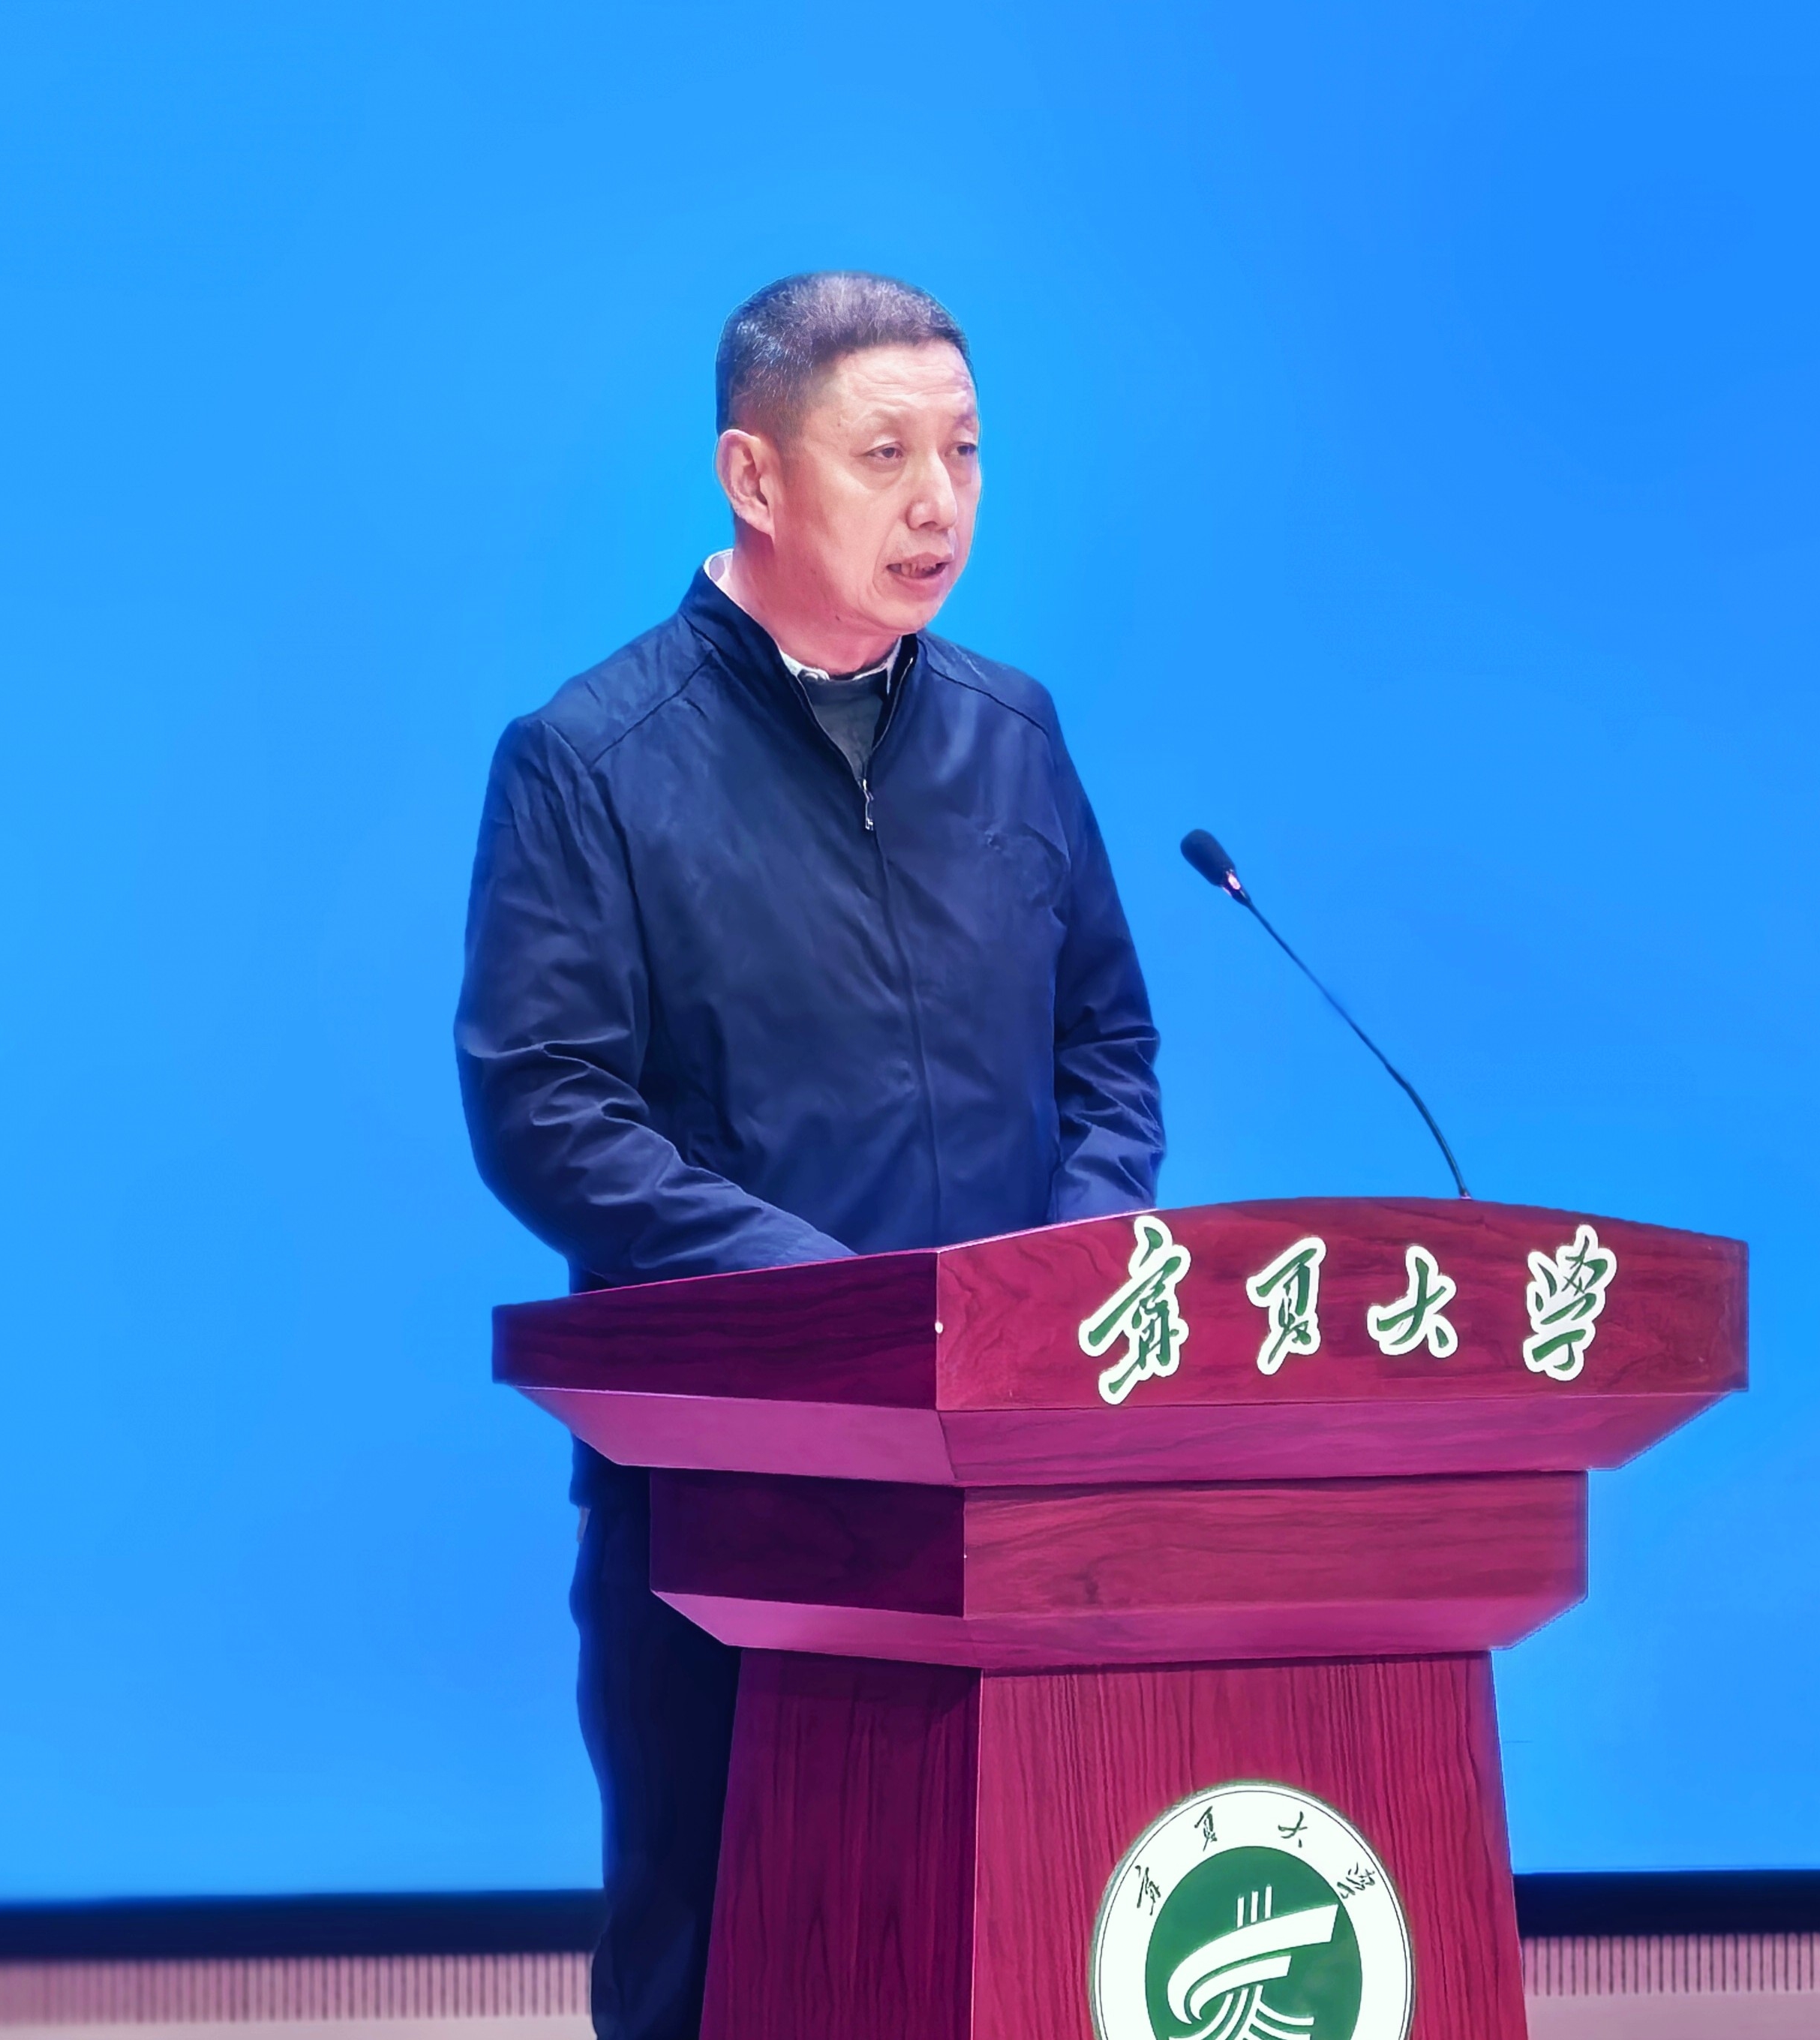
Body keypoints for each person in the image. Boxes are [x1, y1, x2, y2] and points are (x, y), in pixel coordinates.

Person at [454, 272, 1165, 2040]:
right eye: (884, 454)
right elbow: (545, 1104)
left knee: (1011, 1942)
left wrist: (1061, 1277)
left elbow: (1106, 1050)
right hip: (730, 1495)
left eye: (964, 452)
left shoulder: (1013, 732)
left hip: (1010, 1482)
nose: (939, 502)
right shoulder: (591, 763)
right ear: (752, 477)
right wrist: (832, 1312)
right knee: (735, 1964)